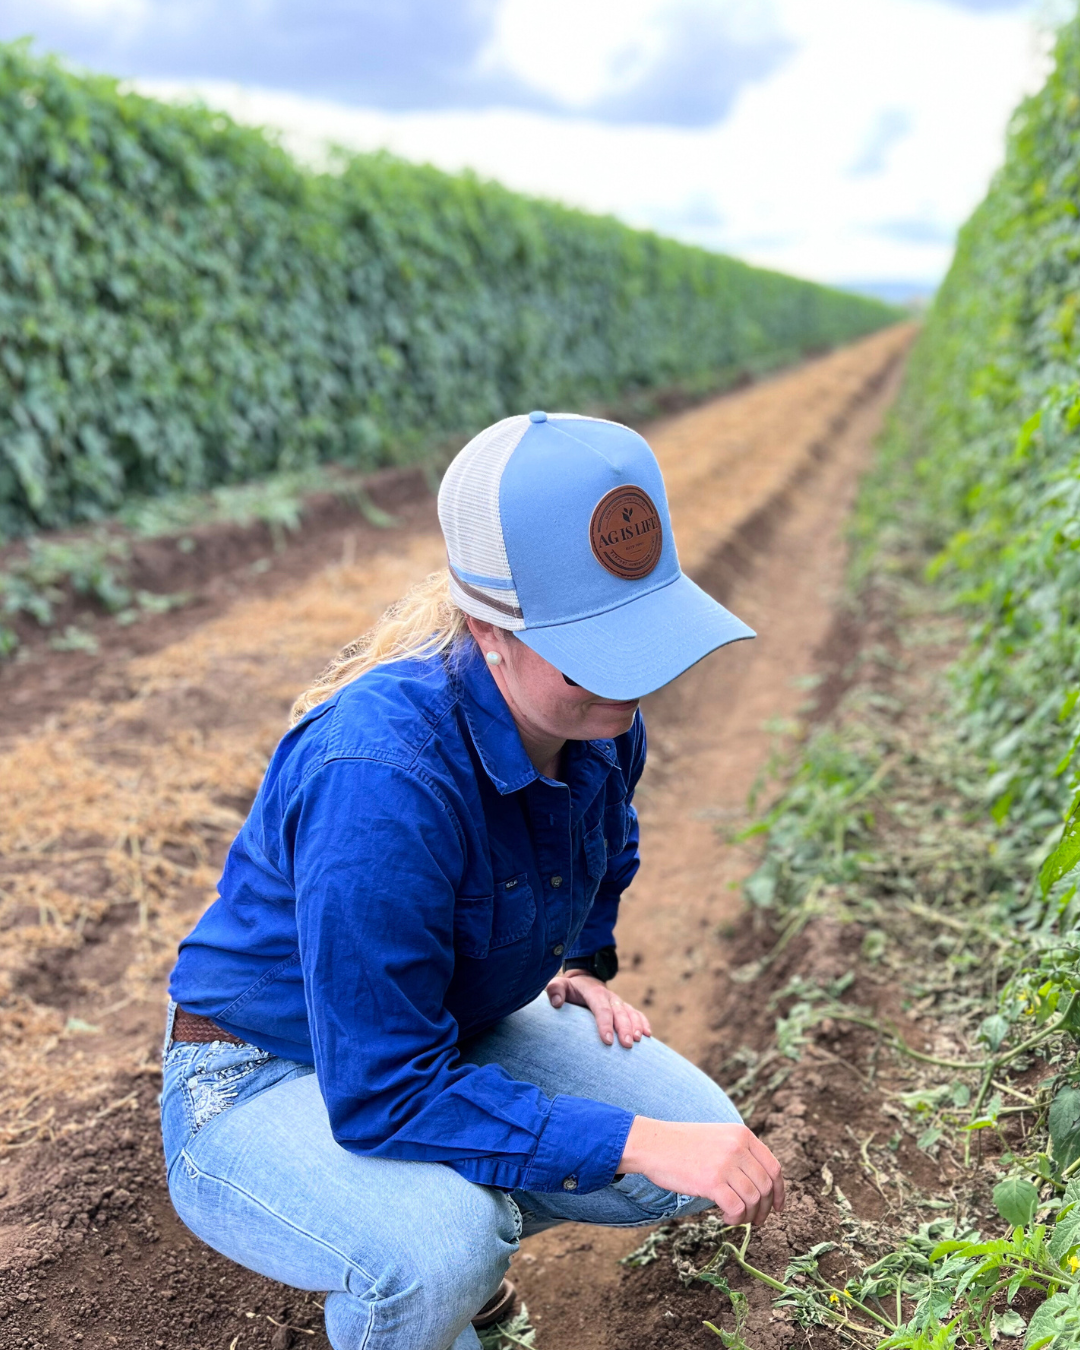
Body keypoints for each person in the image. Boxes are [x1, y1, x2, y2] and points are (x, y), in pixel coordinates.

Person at [160, 410, 785, 1350]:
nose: (628, 681)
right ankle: (419, 1267)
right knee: (444, 1243)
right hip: (266, 1073)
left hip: (443, 1027)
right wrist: (620, 1139)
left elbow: (605, 851)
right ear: (490, 630)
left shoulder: (596, 720)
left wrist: (580, 961)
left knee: (696, 1138)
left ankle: (439, 1225)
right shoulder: (380, 782)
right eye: (592, 648)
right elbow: (378, 1088)